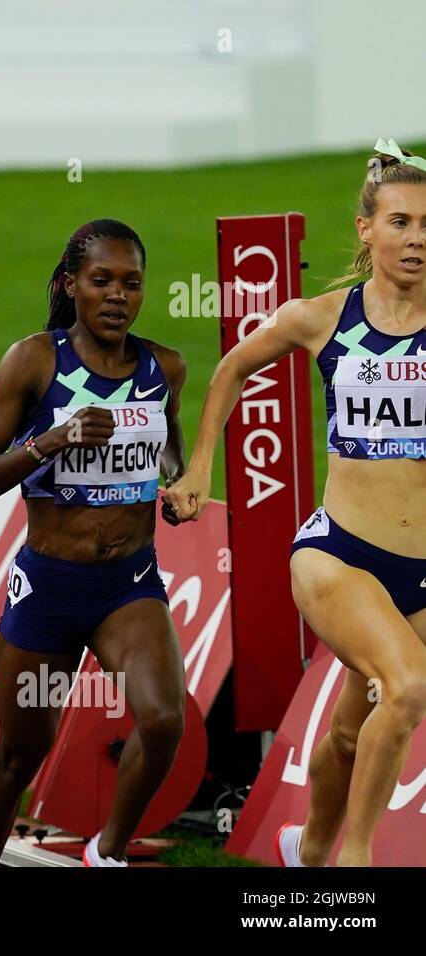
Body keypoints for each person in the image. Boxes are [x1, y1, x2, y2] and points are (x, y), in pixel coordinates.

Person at [166, 140, 426, 868]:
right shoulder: (320, 318)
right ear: (366, 229)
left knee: (354, 726)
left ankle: (305, 851)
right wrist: (199, 468)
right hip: (339, 555)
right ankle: (357, 863)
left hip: (421, 570)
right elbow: (233, 366)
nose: (417, 239)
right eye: (401, 222)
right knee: (406, 689)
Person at [0, 219, 190, 867]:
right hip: (49, 589)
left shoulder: (163, 367)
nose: (118, 295)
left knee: (164, 720)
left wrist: (178, 487)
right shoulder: (34, 360)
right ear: (72, 285)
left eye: (132, 283)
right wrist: (48, 443)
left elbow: (169, 455)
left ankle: (107, 850)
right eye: (102, 281)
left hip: (127, 584)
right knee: (19, 756)